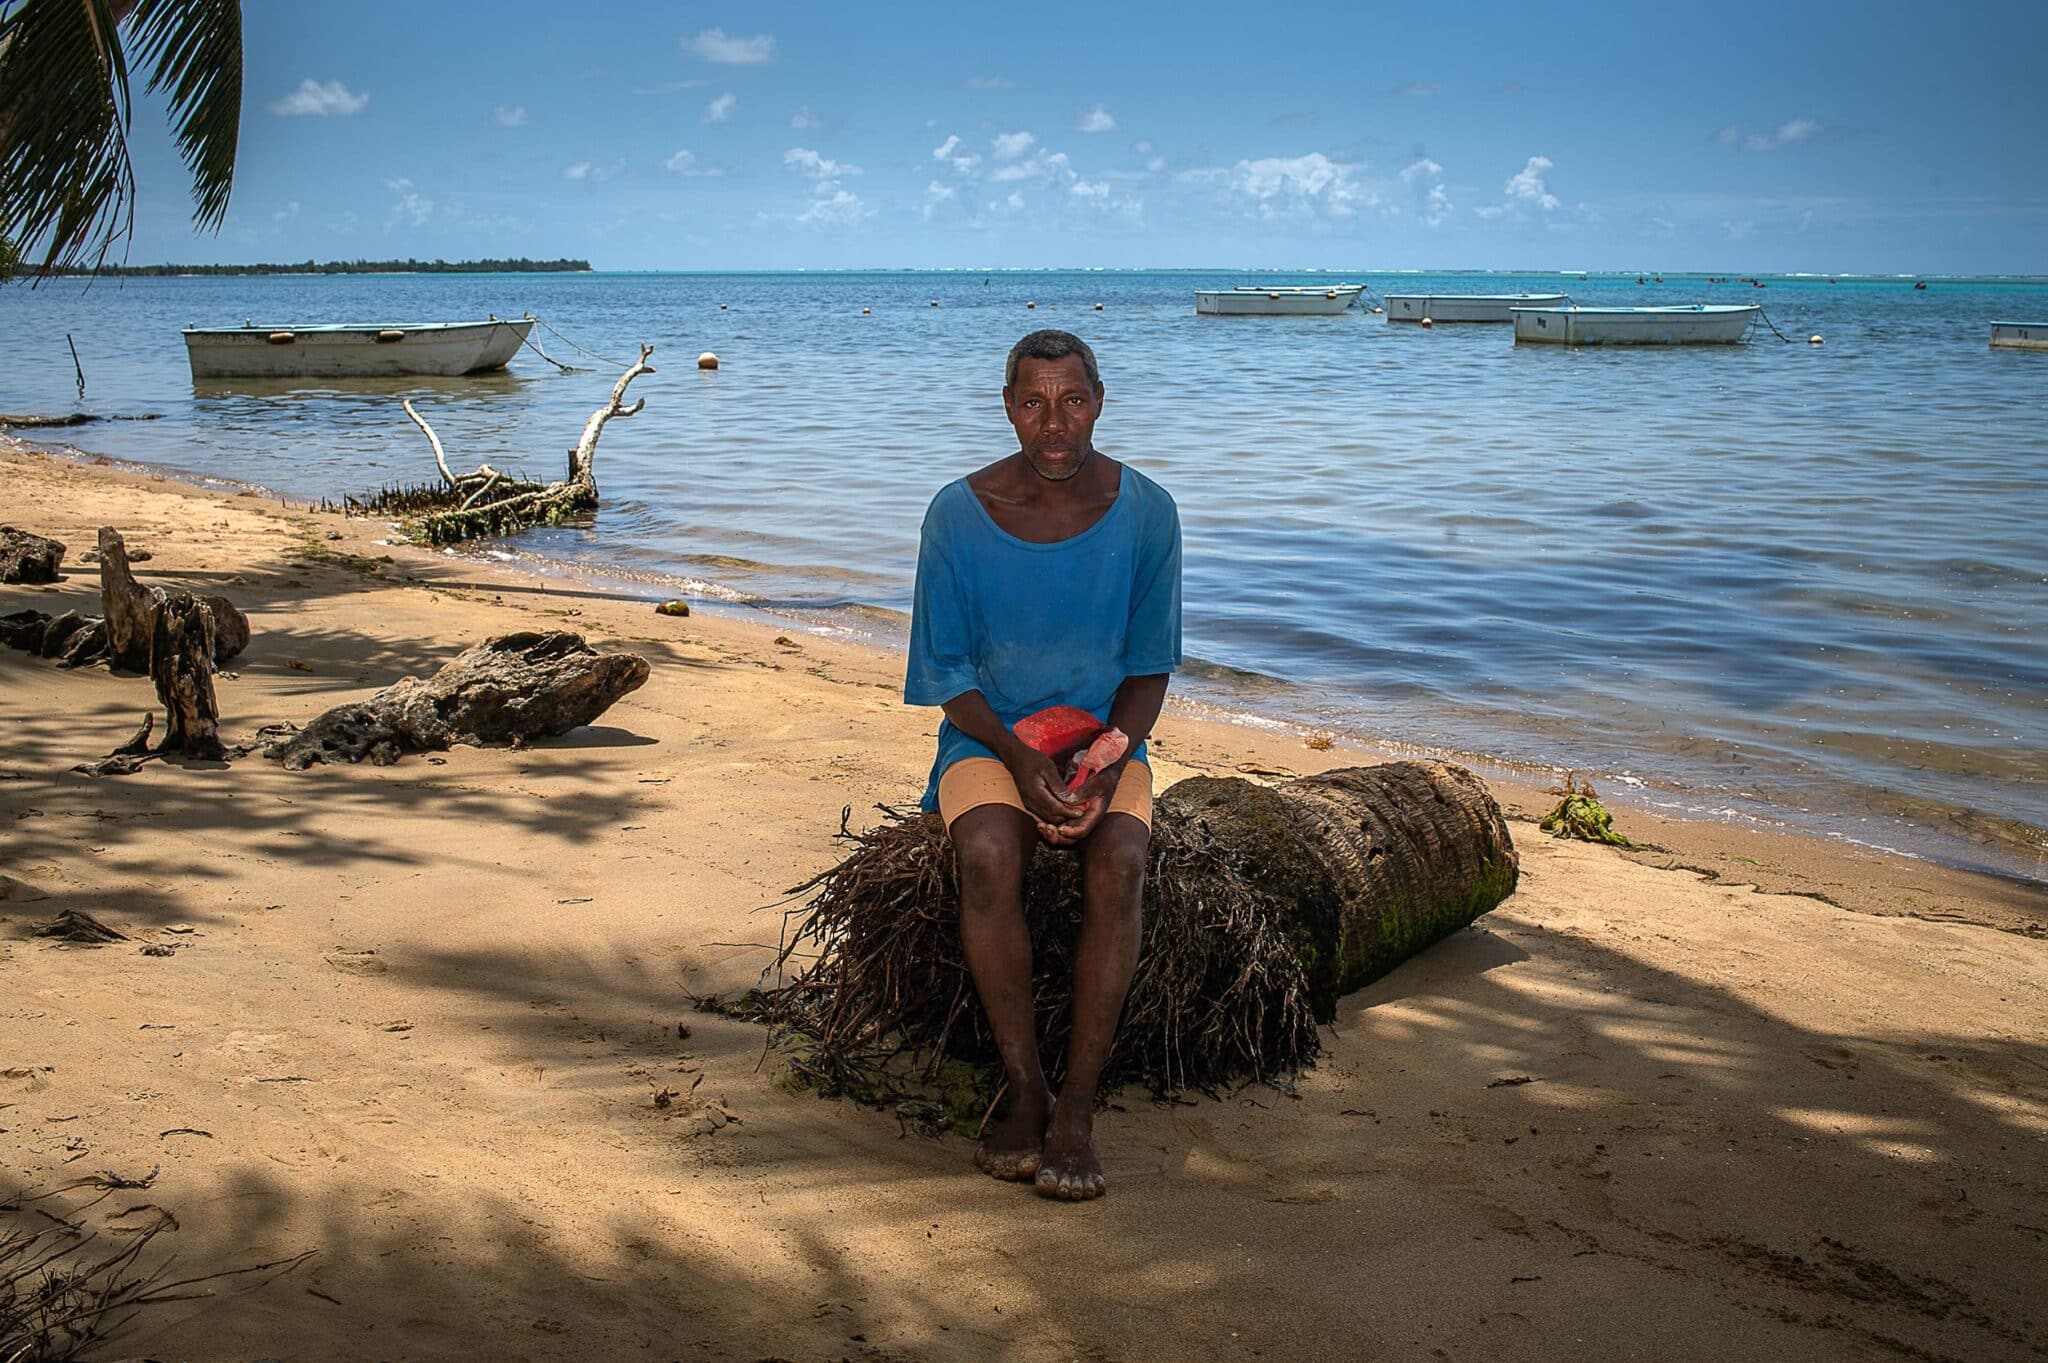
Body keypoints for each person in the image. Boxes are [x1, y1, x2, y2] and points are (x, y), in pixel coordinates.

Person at [904, 329, 1182, 1201]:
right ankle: (1027, 1091)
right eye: (1033, 402)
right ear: (1007, 407)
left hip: (1107, 738)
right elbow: (948, 674)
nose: (1054, 423)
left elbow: (1149, 669)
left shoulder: (1149, 512)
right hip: (988, 738)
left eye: (1072, 401)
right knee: (989, 853)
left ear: (1099, 403)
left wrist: (1107, 760)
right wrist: (1020, 760)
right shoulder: (958, 513)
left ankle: (1078, 1110)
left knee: (1122, 861)